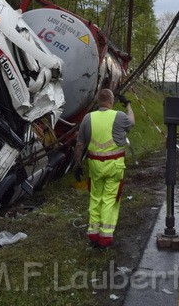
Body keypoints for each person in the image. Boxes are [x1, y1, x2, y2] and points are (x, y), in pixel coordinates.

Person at [74, 88, 135, 250]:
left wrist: (77, 164)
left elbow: (80, 145)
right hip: (114, 166)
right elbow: (132, 121)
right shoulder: (119, 116)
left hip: (95, 166)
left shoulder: (88, 118)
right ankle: (105, 238)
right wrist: (128, 105)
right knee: (109, 199)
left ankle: (93, 233)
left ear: (98, 100)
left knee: (95, 198)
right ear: (111, 100)